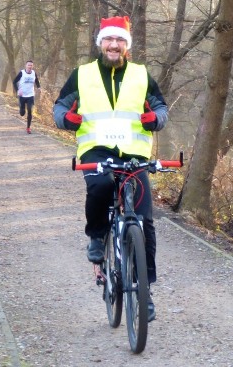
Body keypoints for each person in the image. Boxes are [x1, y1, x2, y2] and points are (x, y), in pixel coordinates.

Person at [53, 15, 168, 322]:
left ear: (126, 45)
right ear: (100, 43)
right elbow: (59, 106)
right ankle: (96, 235)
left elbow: (161, 107)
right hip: (96, 151)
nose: (114, 45)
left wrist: (155, 119)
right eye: (109, 40)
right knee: (101, 186)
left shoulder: (142, 75)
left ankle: (145, 292)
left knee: (145, 222)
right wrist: (66, 119)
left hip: (134, 155)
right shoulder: (83, 74)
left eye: (119, 41)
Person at [12, 60, 40, 134]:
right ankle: (21, 108)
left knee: (30, 110)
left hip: (30, 95)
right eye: (28, 65)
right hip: (22, 95)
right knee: (22, 113)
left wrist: (39, 87)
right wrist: (17, 90)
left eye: (31, 65)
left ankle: (28, 128)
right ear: (26, 66)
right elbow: (14, 81)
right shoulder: (22, 73)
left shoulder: (34, 73)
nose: (30, 67)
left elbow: (36, 81)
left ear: (32, 66)